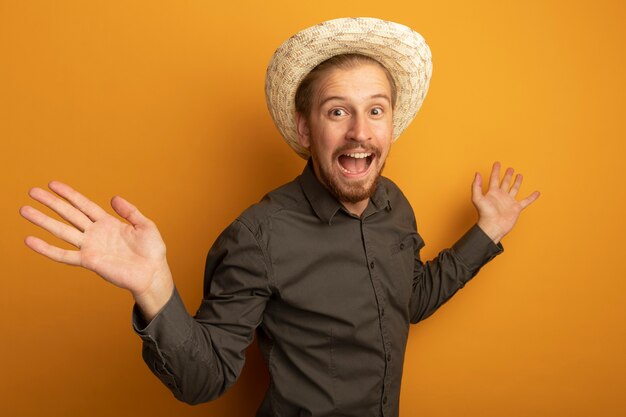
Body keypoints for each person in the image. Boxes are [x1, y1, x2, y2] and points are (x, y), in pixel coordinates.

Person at [20, 17, 539, 417]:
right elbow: (205, 381)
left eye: (375, 110)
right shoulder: (258, 236)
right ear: (305, 127)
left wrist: (486, 232)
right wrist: (155, 290)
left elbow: (409, 298)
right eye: (338, 111)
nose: (360, 131)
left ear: (390, 125)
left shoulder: (393, 204)